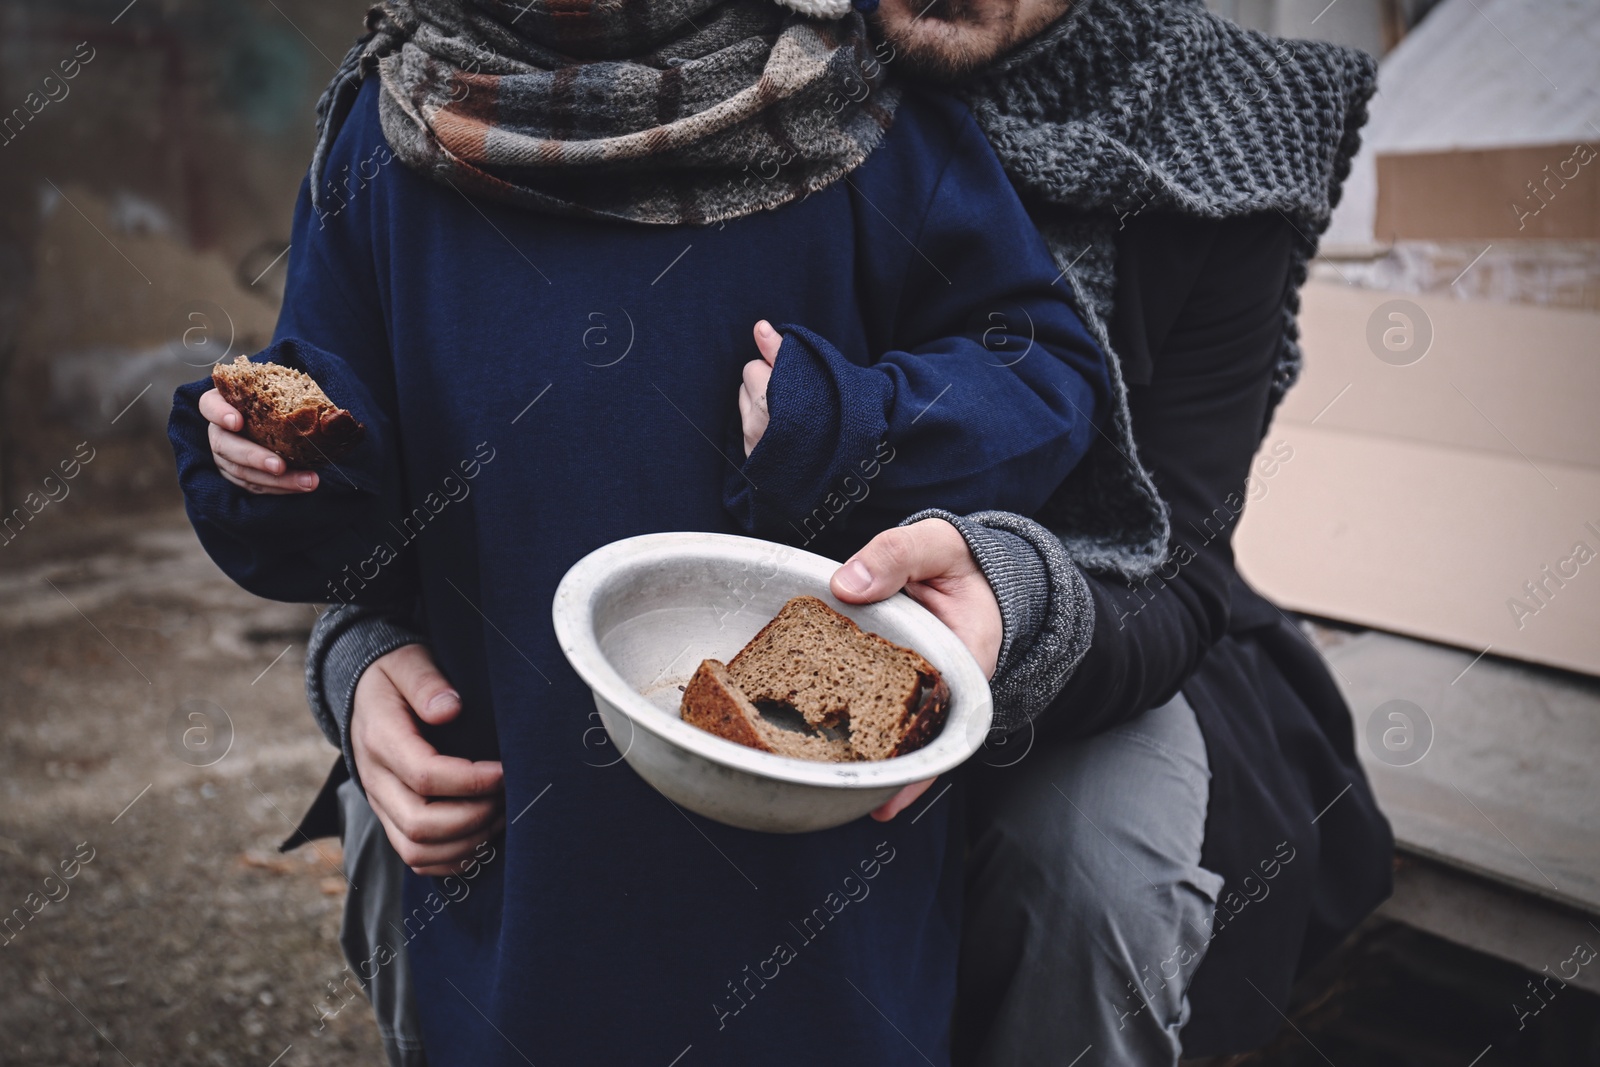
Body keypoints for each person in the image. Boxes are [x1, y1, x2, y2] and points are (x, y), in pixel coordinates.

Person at [304, 0, 1396, 1064]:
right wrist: (357, 640)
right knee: (410, 806)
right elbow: (500, 424)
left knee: (1095, 870)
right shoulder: (669, 71)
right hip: (724, 594)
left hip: (1089, 625)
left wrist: (1015, 610)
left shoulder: (1226, 129)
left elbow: (1176, 560)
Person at [167, 1, 1121, 1064]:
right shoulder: (393, 128)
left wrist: (858, 423)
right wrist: (274, 472)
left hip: (814, 879)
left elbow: (1041, 371)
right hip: (520, 843)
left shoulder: (855, 102)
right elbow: (341, 510)